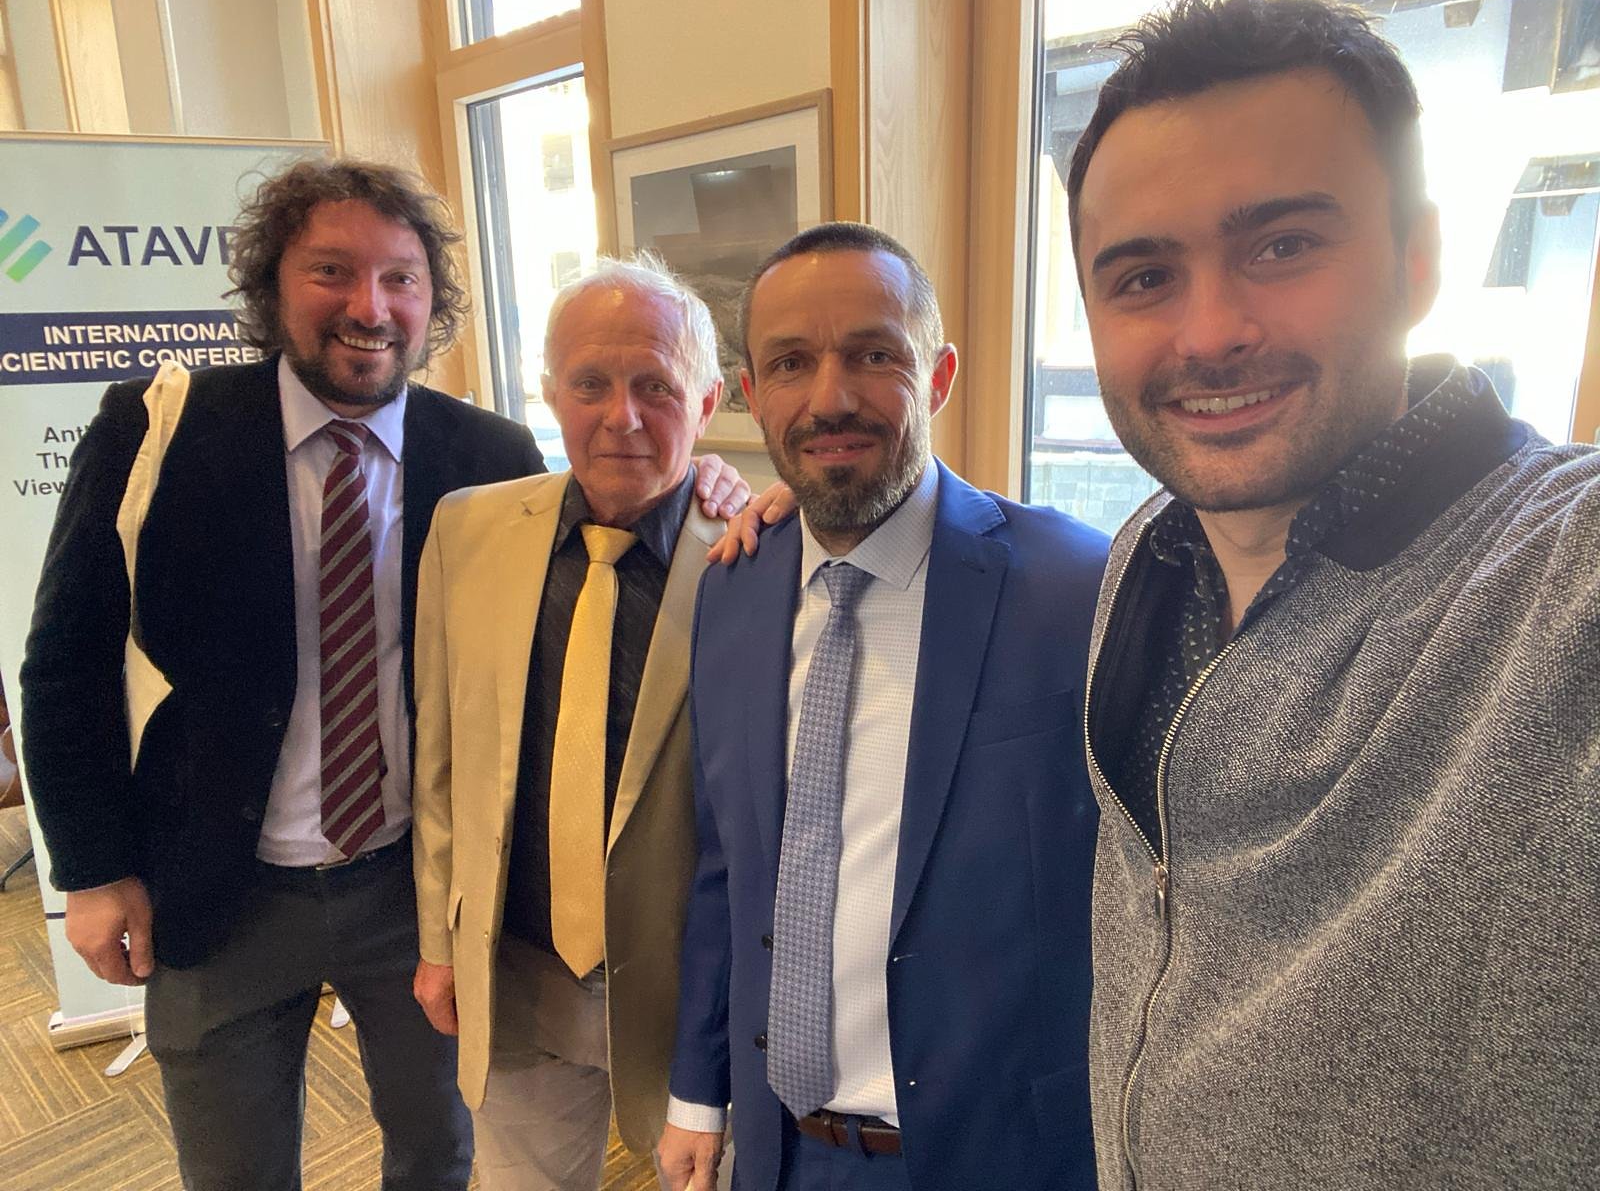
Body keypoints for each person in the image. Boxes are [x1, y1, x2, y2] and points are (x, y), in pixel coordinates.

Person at [18, 156, 746, 1191]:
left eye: (400, 278)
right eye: (331, 271)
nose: (368, 306)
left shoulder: (485, 453)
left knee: (440, 1152)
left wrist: (717, 478)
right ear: (273, 285)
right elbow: (64, 662)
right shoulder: (159, 432)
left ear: (429, 301)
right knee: (232, 1169)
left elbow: (611, 504)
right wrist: (91, 868)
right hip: (218, 886)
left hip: (416, 895)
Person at [1066, 0, 1599, 1188]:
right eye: (1144, 275)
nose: (1210, 331)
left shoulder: (1559, 574)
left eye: (1283, 246)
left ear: (1418, 259)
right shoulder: (1144, 554)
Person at [657, 222, 1109, 1191]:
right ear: (750, 394)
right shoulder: (732, 588)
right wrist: (698, 1093)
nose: (831, 398)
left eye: (873, 355)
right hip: (779, 1151)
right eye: (791, 363)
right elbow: (726, 863)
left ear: (937, 378)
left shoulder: (1075, 588)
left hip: (995, 1158)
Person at [409, 253, 727, 1190]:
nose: (621, 416)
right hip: (517, 974)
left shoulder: (762, 552)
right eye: (590, 384)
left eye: (656, 386)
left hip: (690, 996)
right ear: (549, 393)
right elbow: (441, 763)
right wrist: (439, 943)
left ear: (707, 403)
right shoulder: (466, 531)